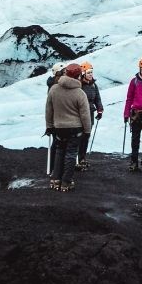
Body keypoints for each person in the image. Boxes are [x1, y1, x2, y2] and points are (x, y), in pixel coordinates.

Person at [45, 63, 91, 192]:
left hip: (59, 127)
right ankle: (66, 181)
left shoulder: (54, 89)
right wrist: (87, 130)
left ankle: (56, 179)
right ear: (78, 76)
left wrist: (49, 126)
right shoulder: (80, 93)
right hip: (75, 128)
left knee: (60, 151)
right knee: (71, 154)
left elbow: (49, 110)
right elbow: (85, 115)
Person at [77, 61, 104, 171]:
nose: (90, 74)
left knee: (86, 136)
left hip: (90, 113)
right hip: (80, 114)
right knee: (79, 136)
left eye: (91, 72)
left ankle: (82, 158)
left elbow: (97, 98)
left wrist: (100, 110)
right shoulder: (79, 85)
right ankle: (76, 159)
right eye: (88, 72)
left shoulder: (93, 85)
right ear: (83, 73)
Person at [45, 62, 67, 174]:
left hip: (58, 117)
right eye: (64, 71)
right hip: (57, 117)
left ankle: (55, 167)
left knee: (58, 142)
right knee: (57, 142)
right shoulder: (55, 86)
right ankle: (55, 167)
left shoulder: (54, 84)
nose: (66, 73)